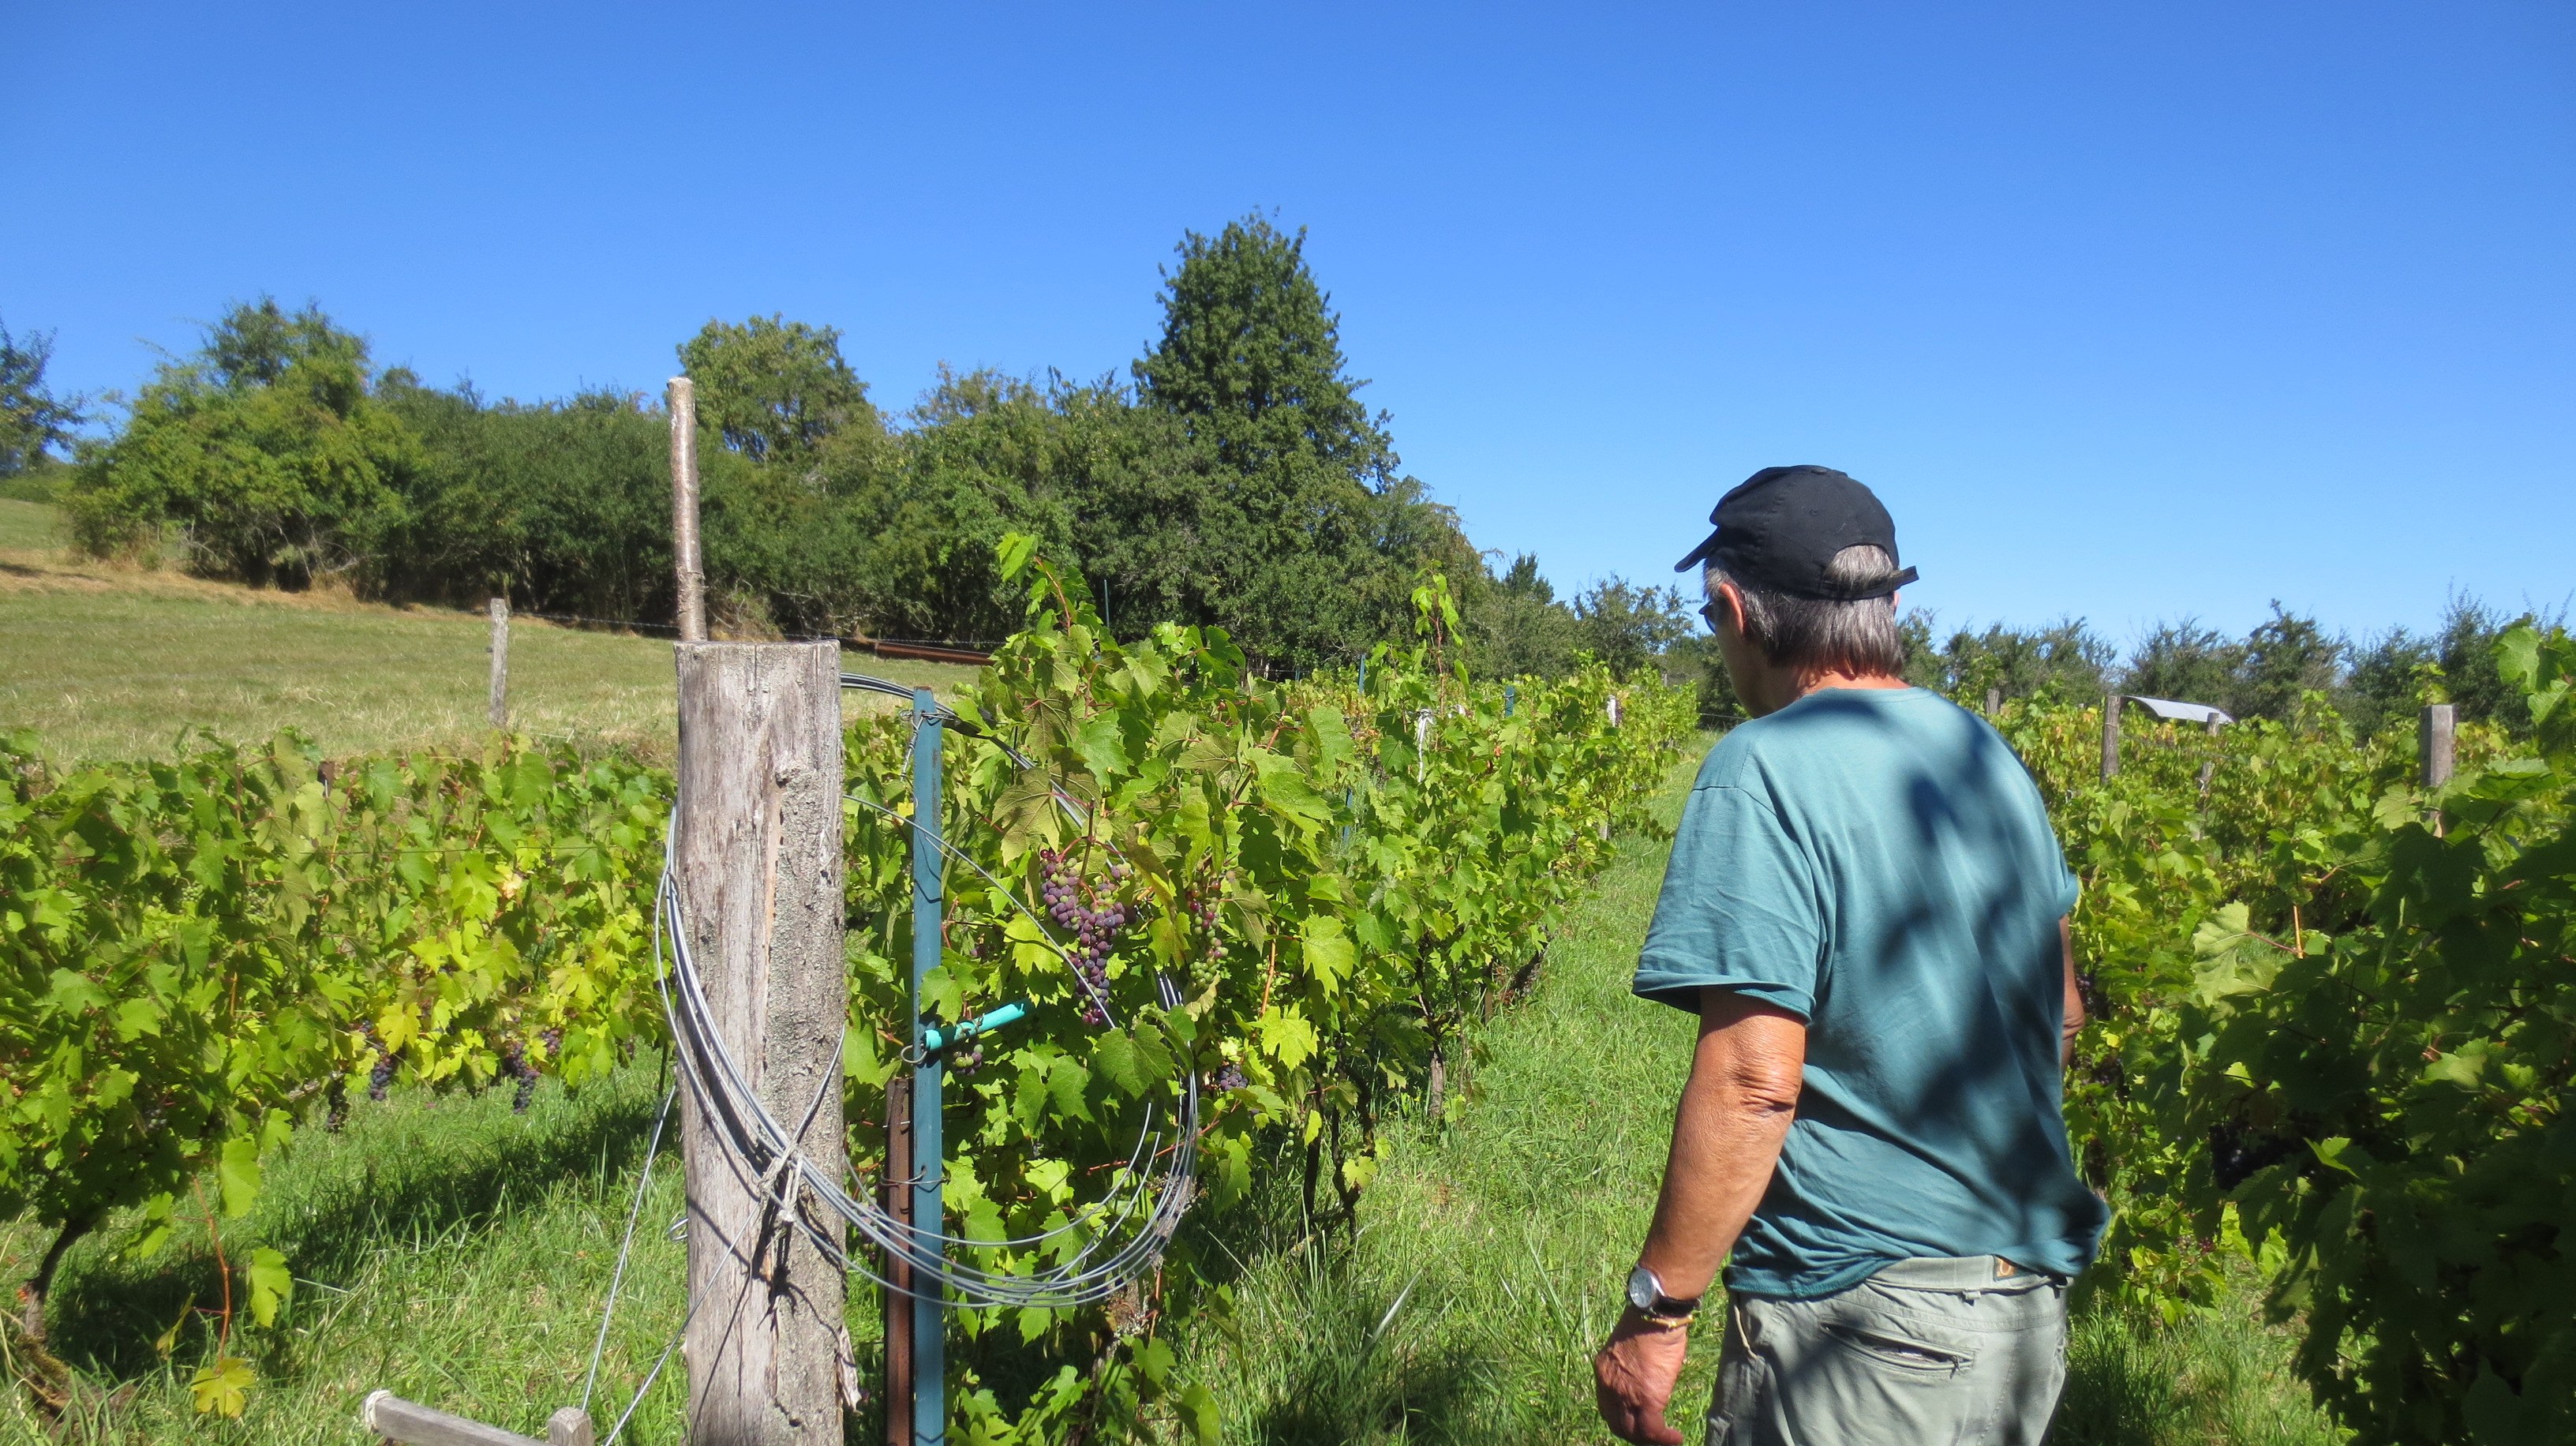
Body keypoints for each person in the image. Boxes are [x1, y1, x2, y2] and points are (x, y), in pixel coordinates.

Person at [1592, 466, 2106, 1446]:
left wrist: (1658, 1310)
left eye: (1710, 618)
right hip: (2022, 1309)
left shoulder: (1763, 765)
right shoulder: (1986, 756)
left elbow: (1752, 1082)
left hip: (1861, 1327)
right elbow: (2063, 1014)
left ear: (1735, 612)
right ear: (1890, 607)